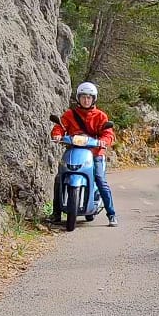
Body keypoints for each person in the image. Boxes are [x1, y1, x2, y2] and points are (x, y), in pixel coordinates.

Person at [50, 81, 118, 227]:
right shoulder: (70, 114)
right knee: (59, 178)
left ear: (94, 99)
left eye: (89, 97)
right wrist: (57, 135)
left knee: (100, 180)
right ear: (78, 98)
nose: (86, 100)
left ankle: (111, 214)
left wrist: (104, 141)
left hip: (95, 153)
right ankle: (56, 213)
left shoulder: (100, 116)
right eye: (83, 97)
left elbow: (108, 133)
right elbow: (60, 127)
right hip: (73, 151)